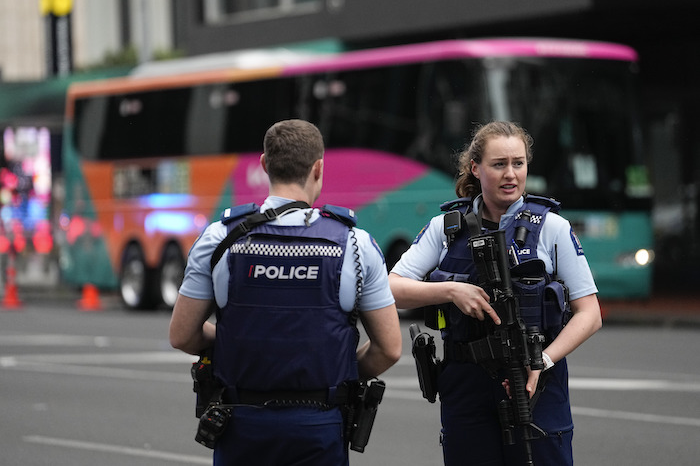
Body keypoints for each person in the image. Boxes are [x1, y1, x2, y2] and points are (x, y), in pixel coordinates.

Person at [169, 119, 402, 466]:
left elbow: (183, 335)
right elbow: (389, 349)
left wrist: (245, 339)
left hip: (241, 423)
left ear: (264, 165)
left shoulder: (219, 239)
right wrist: (331, 366)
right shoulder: (356, 245)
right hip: (319, 425)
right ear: (318, 168)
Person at [389, 121, 602, 466]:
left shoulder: (552, 227)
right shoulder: (445, 228)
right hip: (466, 385)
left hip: (535, 383)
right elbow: (391, 289)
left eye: (518, 163)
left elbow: (590, 314)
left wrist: (542, 362)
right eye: (499, 164)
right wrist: (451, 290)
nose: (510, 174)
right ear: (476, 168)